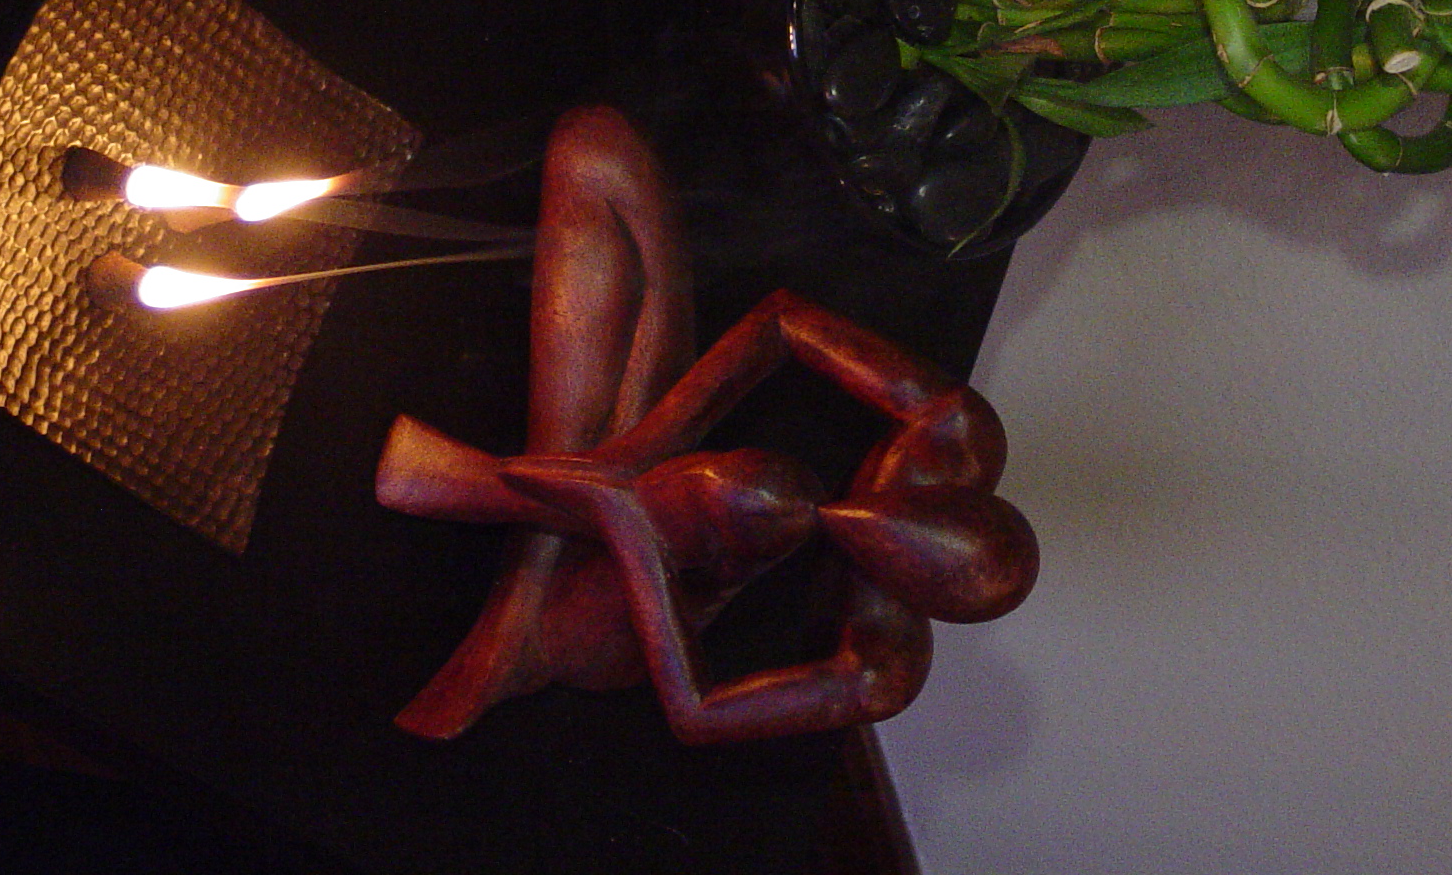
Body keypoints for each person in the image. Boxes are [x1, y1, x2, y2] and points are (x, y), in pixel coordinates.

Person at [375, 108, 1037, 743]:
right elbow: (782, 321)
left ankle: (526, 582)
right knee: (597, 147)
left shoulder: (879, 670)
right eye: (903, 502)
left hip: (643, 591)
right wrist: (639, 453)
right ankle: (521, 563)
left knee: (760, 503)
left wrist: (631, 525)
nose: (863, 513)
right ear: (957, 490)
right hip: (658, 455)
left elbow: (695, 713)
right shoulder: (956, 427)